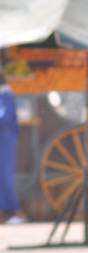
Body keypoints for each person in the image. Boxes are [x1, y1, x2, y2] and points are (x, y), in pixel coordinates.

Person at [0, 71, 23, 224]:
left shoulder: (5, 94)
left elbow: (5, 117)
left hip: (5, 139)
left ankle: (16, 212)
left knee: (5, 176)